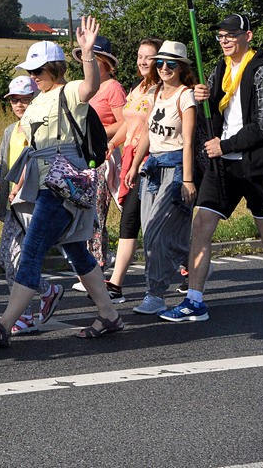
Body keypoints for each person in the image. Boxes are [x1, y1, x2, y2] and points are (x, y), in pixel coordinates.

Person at [161, 14, 263, 322]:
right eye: (221, 36)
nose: (224, 40)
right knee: (201, 227)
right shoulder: (221, 69)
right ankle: (195, 300)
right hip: (222, 166)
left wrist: (225, 145)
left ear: (247, 36)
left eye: (230, 35)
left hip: (254, 164)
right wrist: (203, 96)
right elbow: (212, 104)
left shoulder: (262, 70)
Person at [0, 17, 124, 347]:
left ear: (54, 68)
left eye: (38, 71)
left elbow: (91, 86)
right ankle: (108, 314)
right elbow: (30, 149)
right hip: (45, 183)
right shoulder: (35, 104)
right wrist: (17, 182)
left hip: (63, 184)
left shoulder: (71, 90)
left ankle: (5, 325)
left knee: (32, 251)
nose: (33, 77)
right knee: (75, 249)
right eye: (31, 72)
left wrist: (88, 53)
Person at [0, 75, 64, 334]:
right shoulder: (10, 131)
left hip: (31, 202)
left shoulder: (39, 128)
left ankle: (25, 315)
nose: (19, 105)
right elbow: (5, 167)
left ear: (35, 99)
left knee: (19, 259)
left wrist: (18, 186)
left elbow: (35, 161)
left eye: (25, 99)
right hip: (12, 205)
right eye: (15, 100)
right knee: (7, 259)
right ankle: (46, 290)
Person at [122, 41, 197, 316]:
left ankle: (155, 294)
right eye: (161, 63)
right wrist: (133, 166)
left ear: (181, 67)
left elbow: (188, 142)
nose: (164, 68)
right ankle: (194, 259)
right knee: (151, 233)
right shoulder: (154, 94)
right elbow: (146, 135)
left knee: (154, 230)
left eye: (171, 64)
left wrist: (188, 181)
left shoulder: (185, 96)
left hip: (175, 170)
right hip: (151, 168)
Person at [104, 38, 162, 302]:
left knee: (143, 223)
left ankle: (118, 286)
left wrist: (137, 164)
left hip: (149, 161)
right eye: (139, 56)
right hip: (130, 157)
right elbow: (128, 123)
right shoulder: (137, 89)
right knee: (131, 221)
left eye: (147, 57)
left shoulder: (161, 92)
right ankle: (115, 285)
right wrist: (112, 144)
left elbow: (149, 129)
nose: (141, 61)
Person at [71, 36, 125, 277]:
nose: (88, 62)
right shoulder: (82, 86)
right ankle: (91, 266)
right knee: (84, 213)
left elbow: (125, 123)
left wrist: (97, 133)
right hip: (83, 157)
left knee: (96, 214)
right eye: (85, 58)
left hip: (104, 157)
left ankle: (97, 267)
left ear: (105, 63)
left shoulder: (112, 88)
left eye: (93, 58)